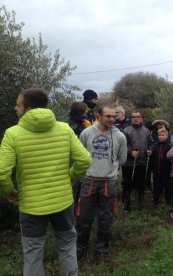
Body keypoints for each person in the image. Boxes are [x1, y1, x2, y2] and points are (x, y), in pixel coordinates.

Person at [0, 88, 92, 276]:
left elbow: (2, 173)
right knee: (67, 247)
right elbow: (84, 160)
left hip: (32, 206)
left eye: (18, 105)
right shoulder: (64, 129)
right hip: (63, 202)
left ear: (29, 109)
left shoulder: (13, 134)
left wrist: (9, 191)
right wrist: (71, 177)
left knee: (33, 253)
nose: (15, 108)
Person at [76, 106, 127, 259]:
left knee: (106, 218)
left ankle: (101, 250)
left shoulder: (120, 137)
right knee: (84, 217)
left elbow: (122, 159)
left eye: (114, 116)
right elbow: (81, 154)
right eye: (108, 116)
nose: (112, 119)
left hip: (108, 182)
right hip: (89, 180)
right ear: (99, 116)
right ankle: (80, 248)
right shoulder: (86, 133)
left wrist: (109, 169)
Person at [122, 111, 152, 211]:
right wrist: (130, 152)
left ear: (141, 118)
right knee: (128, 185)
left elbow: (151, 143)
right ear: (131, 118)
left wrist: (150, 150)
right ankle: (126, 205)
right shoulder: (126, 130)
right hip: (129, 163)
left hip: (142, 162)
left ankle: (140, 206)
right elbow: (123, 145)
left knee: (141, 184)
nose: (135, 118)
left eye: (138, 117)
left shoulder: (147, 131)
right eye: (133, 117)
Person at [147, 127, 172, 207]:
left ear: (167, 136)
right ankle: (155, 202)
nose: (161, 136)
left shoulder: (169, 146)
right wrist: (148, 152)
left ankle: (168, 202)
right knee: (156, 186)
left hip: (166, 170)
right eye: (160, 135)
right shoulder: (154, 145)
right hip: (156, 170)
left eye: (163, 135)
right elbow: (149, 152)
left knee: (167, 186)